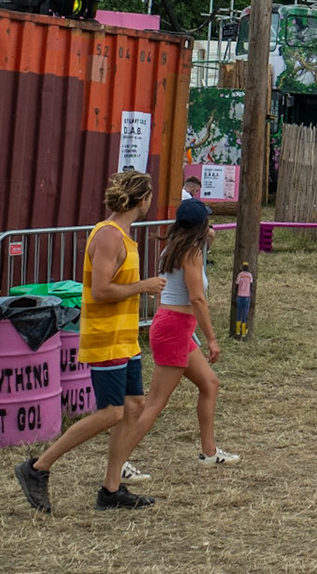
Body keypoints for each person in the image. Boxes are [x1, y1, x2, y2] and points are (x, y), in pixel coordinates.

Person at [15, 170, 168, 512]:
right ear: (142, 199)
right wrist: (143, 286)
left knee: (134, 406)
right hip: (105, 337)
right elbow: (100, 291)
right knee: (112, 412)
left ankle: (111, 490)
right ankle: (38, 466)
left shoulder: (123, 236)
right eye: (149, 196)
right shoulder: (109, 236)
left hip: (125, 338)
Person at [139, 199, 238, 465]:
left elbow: (210, 236)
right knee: (155, 404)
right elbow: (197, 299)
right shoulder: (191, 253)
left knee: (210, 384)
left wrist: (207, 234)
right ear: (199, 225)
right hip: (175, 328)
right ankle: (119, 462)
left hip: (174, 325)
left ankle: (209, 452)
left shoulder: (174, 247)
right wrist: (212, 339)